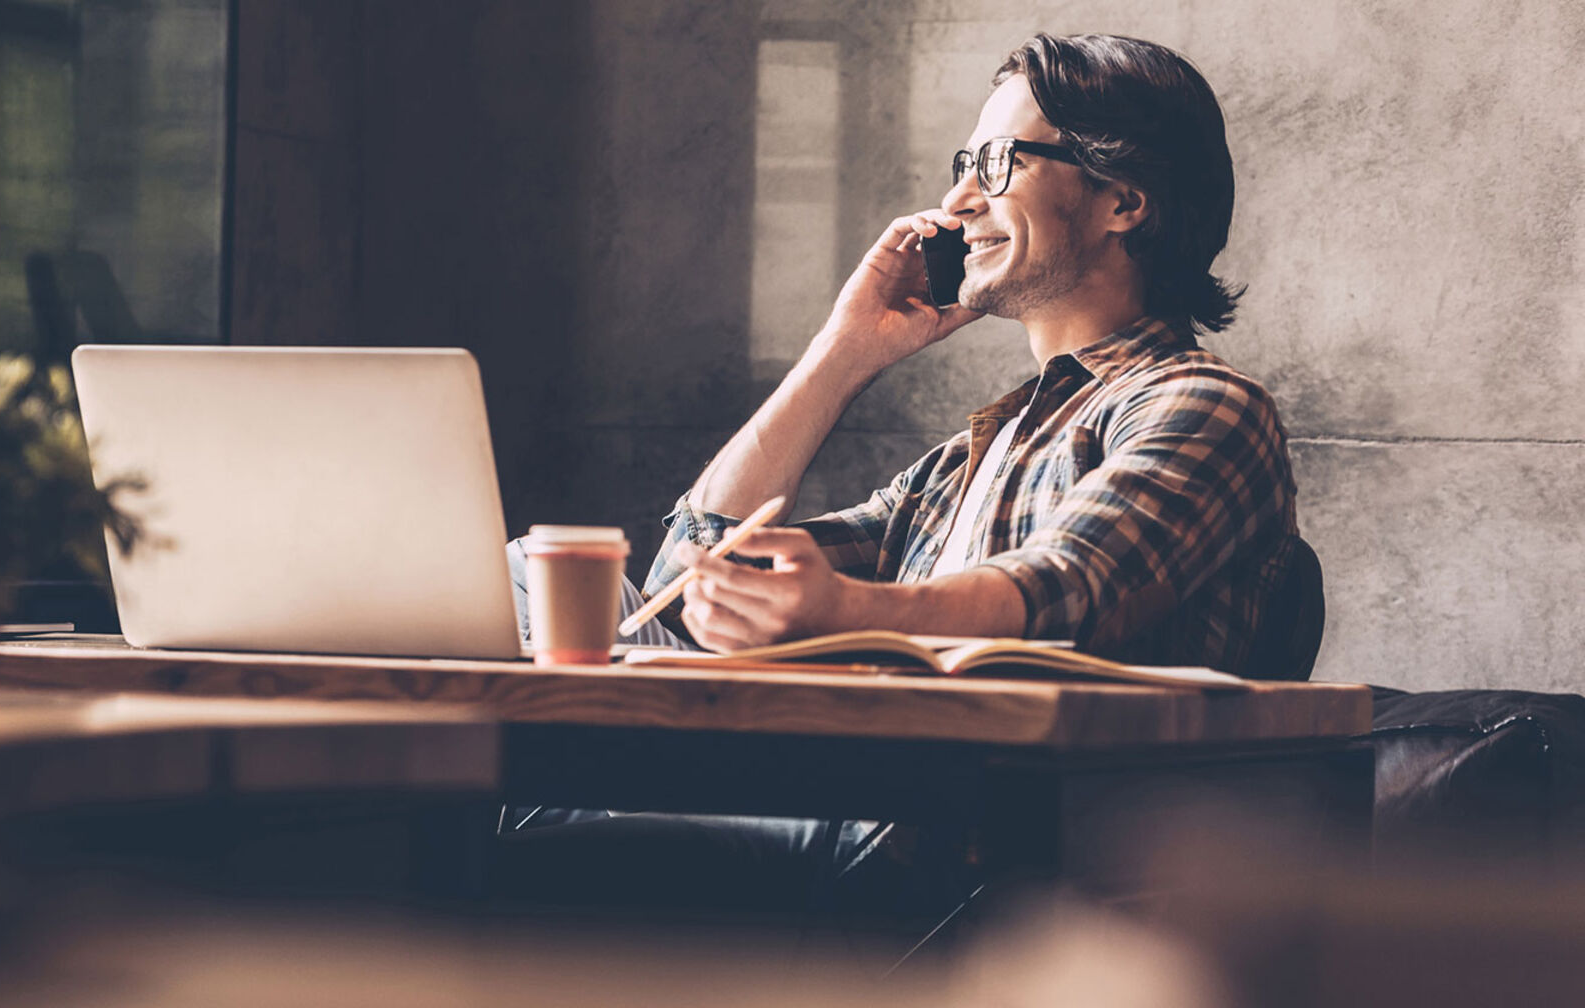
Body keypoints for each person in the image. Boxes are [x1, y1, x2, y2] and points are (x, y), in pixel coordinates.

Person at [499, 31, 1299, 923]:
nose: (957, 201)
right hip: (843, 818)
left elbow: (1066, 593)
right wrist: (840, 355)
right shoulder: (967, 459)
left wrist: (848, 613)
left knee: (504, 854)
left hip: (969, 858)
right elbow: (683, 592)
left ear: (1124, 200)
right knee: (522, 587)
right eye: (965, 163)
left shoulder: (1205, 406)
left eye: (997, 164)